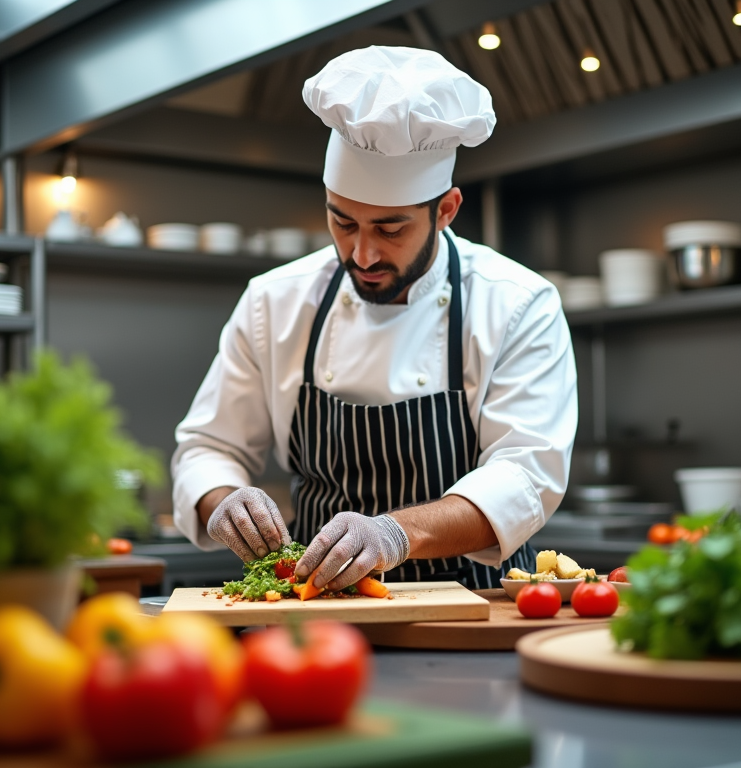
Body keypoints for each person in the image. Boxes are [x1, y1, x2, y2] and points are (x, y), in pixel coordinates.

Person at [172, 46, 577, 591]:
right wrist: (223, 500)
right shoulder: (276, 301)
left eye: (390, 230)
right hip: (319, 606)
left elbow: (525, 477)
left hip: (473, 609)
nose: (362, 254)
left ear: (447, 209)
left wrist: (394, 534)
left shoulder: (517, 303)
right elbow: (207, 448)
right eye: (342, 222)